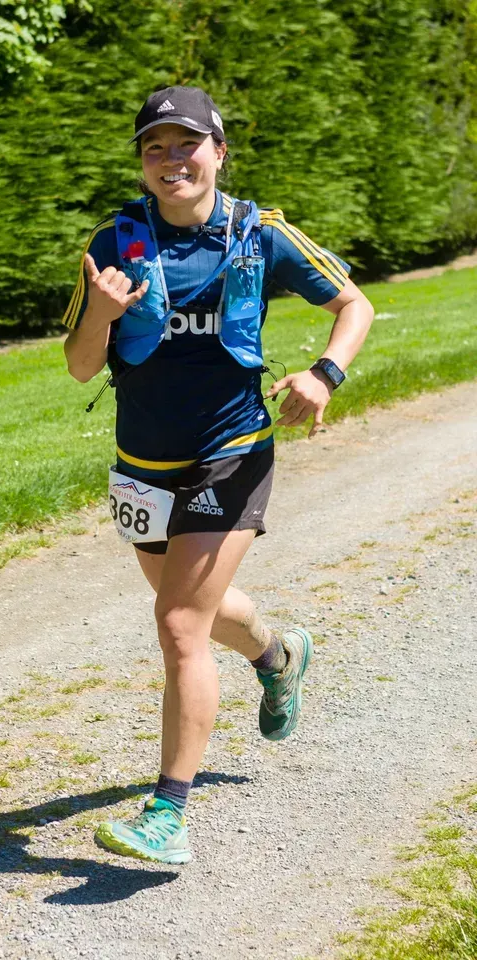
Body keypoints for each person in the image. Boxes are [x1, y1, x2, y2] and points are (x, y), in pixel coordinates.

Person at [63, 86, 374, 865]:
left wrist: (326, 373)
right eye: (155, 148)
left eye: (186, 144)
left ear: (219, 151)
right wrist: (101, 312)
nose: (172, 161)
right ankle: (278, 655)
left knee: (177, 626)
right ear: (142, 163)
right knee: (192, 608)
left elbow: (353, 302)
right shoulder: (115, 239)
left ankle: (168, 815)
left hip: (233, 451)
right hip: (143, 463)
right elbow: (78, 367)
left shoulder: (257, 233)